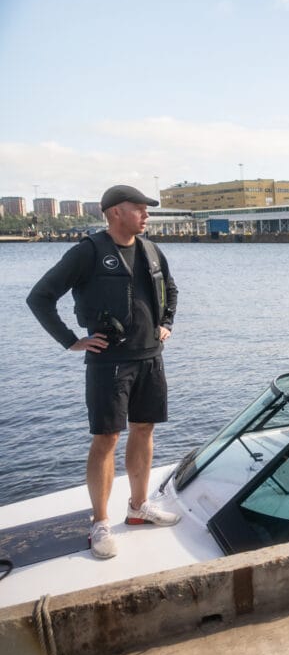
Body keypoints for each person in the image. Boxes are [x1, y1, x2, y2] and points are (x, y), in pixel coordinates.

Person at [26, 185, 181, 560]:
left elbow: (171, 289)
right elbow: (40, 297)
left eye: (147, 210)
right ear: (114, 212)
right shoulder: (88, 252)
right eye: (139, 209)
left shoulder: (150, 249)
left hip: (150, 357)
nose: (147, 215)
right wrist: (71, 340)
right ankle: (100, 522)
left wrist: (166, 323)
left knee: (145, 429)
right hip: (109, 362)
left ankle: (138, 507)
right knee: (107, 438)